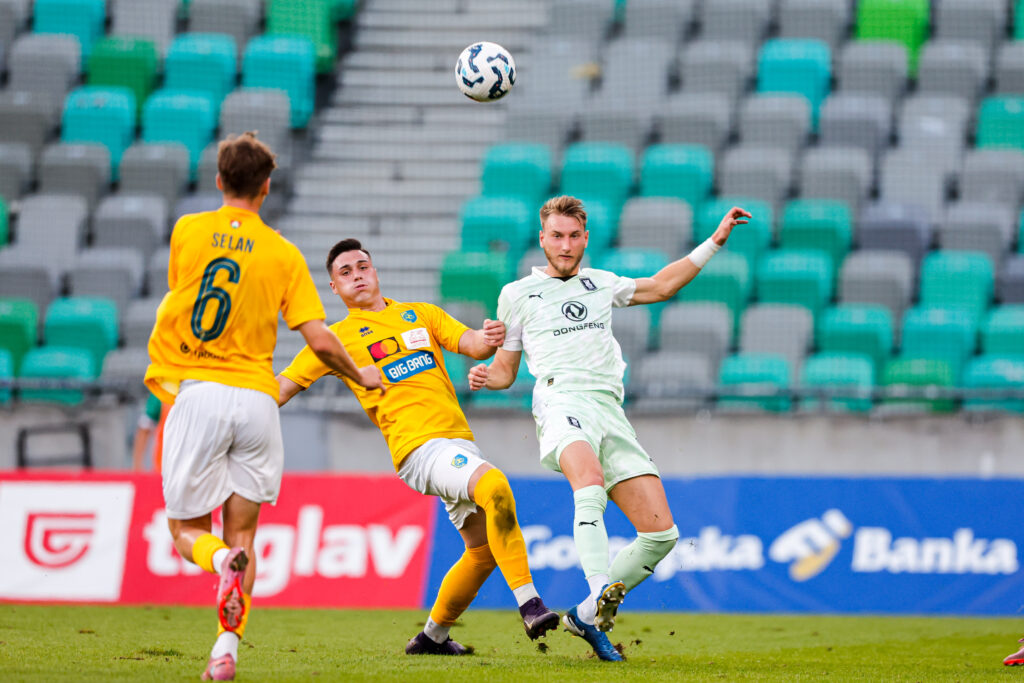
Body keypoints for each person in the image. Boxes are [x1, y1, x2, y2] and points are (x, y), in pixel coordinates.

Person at [468, 195, 750, 661]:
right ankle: (599, 589)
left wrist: (715, 241)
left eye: (573, 236)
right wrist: (484, 376)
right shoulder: (516, 295)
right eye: (556, 236)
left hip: (609, 409)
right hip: (560, 400)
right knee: (590, 482)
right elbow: (504, 371)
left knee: (661, 535)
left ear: (585, 239)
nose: (564, 245)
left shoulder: (601, 283)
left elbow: (662, 286)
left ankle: (585, 615)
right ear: (542, 239)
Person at [144, 133, 383, 681]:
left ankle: (217, 562)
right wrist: (360, 373)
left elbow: (182, 294)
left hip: (200, 390)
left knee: (186, 530)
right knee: (244, 538)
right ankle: (225, 648)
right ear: (267, 186)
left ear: (219, 180)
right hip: (257, 400)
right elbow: (319, 339)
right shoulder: (284, 253)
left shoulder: (187, 230)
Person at [275, 238, 561, 655]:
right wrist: (234, 393)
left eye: (362, 266)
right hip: (419, 450)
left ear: (375, 271)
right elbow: (281, 388)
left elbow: (473, 344)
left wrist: (492, 336)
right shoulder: (334, 339)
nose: (357, 276)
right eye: (346, 272)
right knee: (495, 486)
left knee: (482, 553)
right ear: (334, 288)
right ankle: (530, 604)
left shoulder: (420, 314)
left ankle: (432, 638)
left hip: (458, 445)